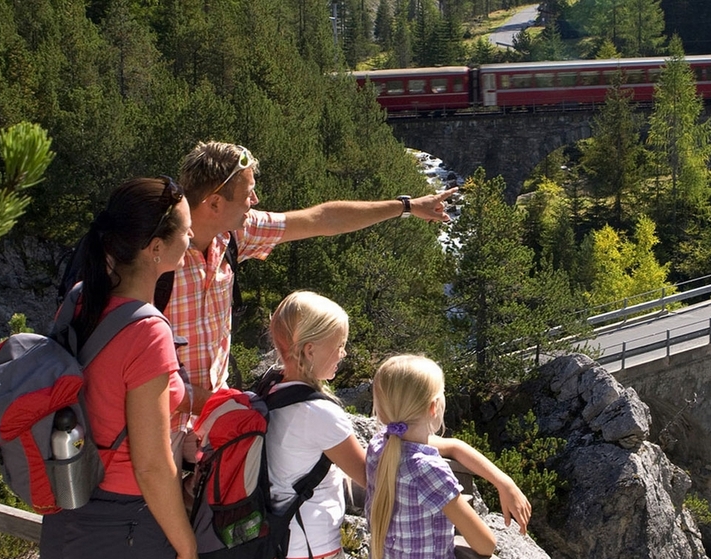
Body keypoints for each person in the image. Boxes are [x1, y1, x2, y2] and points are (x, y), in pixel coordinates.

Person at [166, 141, 458, 461]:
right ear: (215, 204)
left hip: (210, 426)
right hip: (162, 431)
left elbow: (323, 220)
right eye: (248, 193)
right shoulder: (159, 258)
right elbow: (147, 374)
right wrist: (230, 403)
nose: (256, 200)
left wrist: (407, 206)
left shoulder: (233, 235)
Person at [264, 291, 529, 559]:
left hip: (284, 536)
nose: (343, 353)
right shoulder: (319, 414)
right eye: (339, 344)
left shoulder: (272, 389)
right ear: (310, 350)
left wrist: (502, 480)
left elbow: (402, 453)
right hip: (311, 544)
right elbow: (374, 477)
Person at [40, 178, 197, 559]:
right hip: (123, 524)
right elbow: (151, 467)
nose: (192, 237)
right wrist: (187, 547)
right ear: (156, 248)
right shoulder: (148, 331)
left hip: (69, 503)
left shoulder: (80, 299)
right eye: (186, 230)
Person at [367, 354, 497, 559]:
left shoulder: (378, 447)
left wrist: (504, 483)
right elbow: (486, 544)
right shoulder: (428, 469)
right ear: (433, 407)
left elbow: (442, 445)